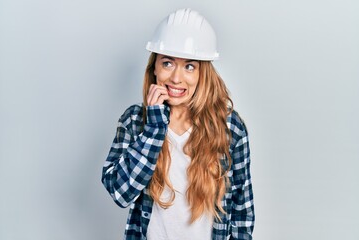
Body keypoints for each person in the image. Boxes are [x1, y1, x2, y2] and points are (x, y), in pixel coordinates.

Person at [102, 8, 255, 240]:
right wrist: (153, 130)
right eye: (168, 63)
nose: (176, 78)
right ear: (154, 67)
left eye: (189, 66)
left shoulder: (230, 128)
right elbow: (120, 193)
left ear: (204, 73)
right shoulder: (135, 121)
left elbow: (242, 212)